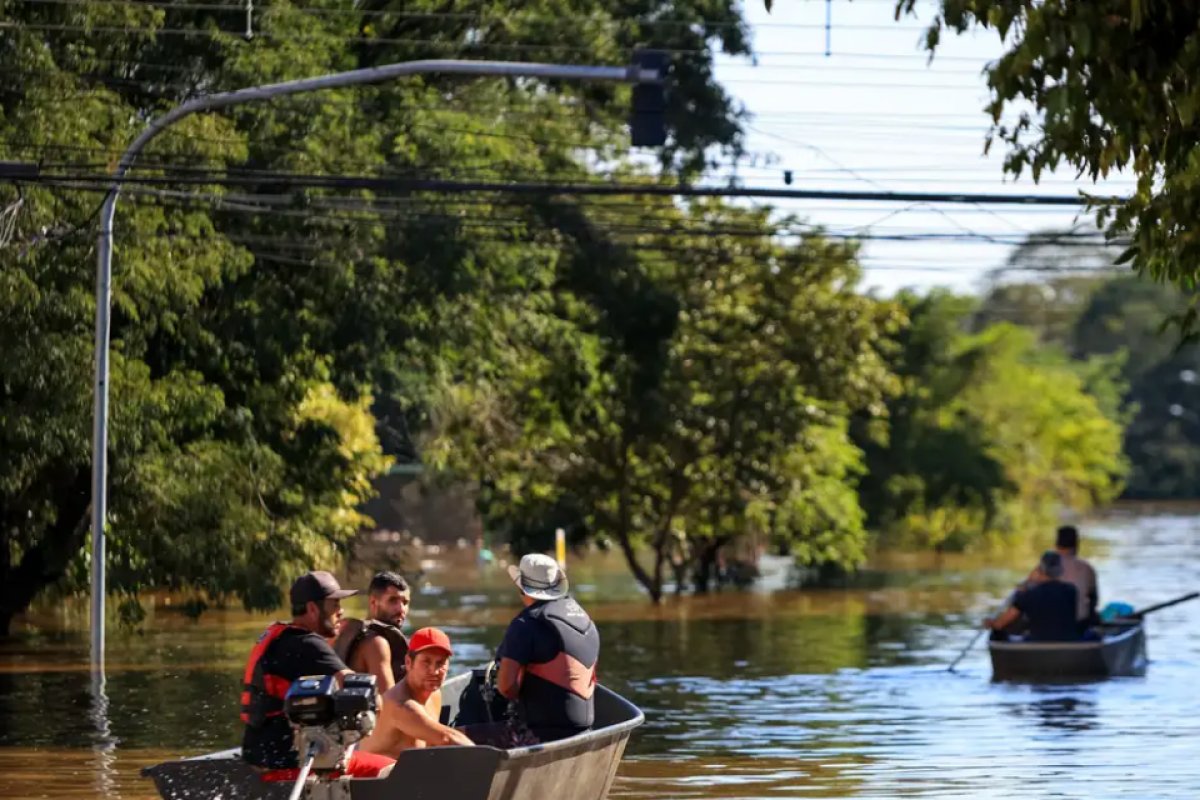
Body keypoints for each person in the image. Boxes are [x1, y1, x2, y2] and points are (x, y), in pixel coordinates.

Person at [239, 570, 395, 779]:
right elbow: (358, 686)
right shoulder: (308, 644)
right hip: (292, 766)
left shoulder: (278, 638)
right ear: (313, 608)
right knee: (393, 770)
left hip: (258, 759)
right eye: (334, 605)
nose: (340, 611)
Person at [494, 553, 600, 743]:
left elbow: (505, 687)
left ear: (522, 588)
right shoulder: (585, 619)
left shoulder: (525, 623)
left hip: (543, 734)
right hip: (586, 729)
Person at [359, 627, 475, 757]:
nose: (434, 671)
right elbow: (446, 738)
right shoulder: (401, 704)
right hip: (378, 775)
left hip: (411, 771)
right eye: (426, 662)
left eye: (440, 663)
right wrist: (487, 760)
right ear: (408, 662)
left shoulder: (435, 694)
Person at [334, 571, 411, 692]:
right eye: (393, 600)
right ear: (373, 602)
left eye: (405, 602)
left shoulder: (344, 630)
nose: (401, 609)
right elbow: (388, 702)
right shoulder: (376, 643)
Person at [986, 551, 1080, 642]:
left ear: (1040, 570)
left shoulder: (1028, 594)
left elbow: (1000, 624)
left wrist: (1027, 583)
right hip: (1067, 646)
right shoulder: (1072, 591)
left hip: (1036, 647)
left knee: (996, 633)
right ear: (1060, 570)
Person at [1054, 525, 1099, 627]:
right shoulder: (1087, 568)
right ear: (1077, 545)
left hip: (1047, 624)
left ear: (1056, 545)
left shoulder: (1043, 568)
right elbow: (1094, 600)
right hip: (1078, 625)